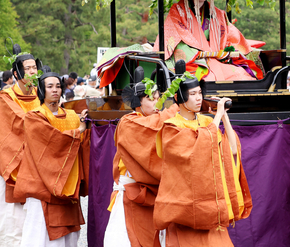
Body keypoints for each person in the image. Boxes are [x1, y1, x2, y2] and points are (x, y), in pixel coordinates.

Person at [153, 60, 251, 246]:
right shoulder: (172, 127)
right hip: (187, 206)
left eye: (200, 93)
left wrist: (224, 117)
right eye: (192, 94)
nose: (199, 98)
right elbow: (198, 150)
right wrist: (217, 118)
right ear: (180, 97)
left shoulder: (207, 123)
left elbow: (231, 150)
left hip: (209, 205)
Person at [13, 68, 90, 245]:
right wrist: (78, 131)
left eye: (58, 86)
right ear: (41, 90)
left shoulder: (72, 116)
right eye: (49, 86)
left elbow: (83, 143)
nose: (55, 90)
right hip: (42, 185)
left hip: (69, 183)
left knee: (69, 237)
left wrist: (85, 125)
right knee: (40, 234)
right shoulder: (34, 117)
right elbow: (51, 141)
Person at [103, 67, 178, 247]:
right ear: (138, 102)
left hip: (153, 192)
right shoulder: (128, 122)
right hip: (130, 193)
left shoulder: (161, 119)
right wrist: (176, 107)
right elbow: (153, 124)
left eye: (158, 97)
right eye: (150, 98)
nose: (156, 102)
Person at [157, 0, 262, 81]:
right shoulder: (178, 11)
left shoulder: (218, 14)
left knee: (242, 75)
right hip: (194, 60)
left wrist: (227, 50)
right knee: (207, 78)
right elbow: (177, 40)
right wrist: (201, 53)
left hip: (216, 58)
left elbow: (230, 36)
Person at [0, 45, 41, 247]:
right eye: (27, 68)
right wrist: (44, 121)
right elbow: (20, 121)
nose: (32, 72)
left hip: (35, 161)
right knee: (10, 218)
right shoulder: (6, 96)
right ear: (16, 72)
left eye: (34, 68)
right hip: (13, 161)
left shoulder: (39, 93)